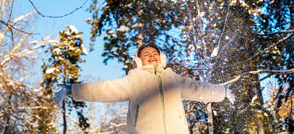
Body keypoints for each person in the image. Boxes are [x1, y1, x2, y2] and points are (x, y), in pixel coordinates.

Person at [53, 43, 235, 134]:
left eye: (154, 53)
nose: (151, 55)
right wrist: (73, 90)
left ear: (161, 57)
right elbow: (104, 89)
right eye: (146, 54)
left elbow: (198, 89)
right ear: (139, 60)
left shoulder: (173, 78)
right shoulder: (134, 79)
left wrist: (222, 91)